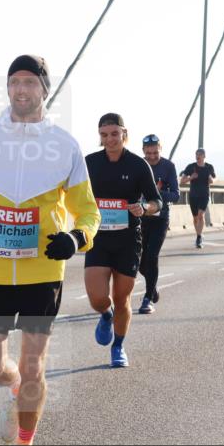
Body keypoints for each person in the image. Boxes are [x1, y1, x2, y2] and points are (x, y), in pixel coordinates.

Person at [0, 54, 100, 446]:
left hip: (42, 273)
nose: (21, 89)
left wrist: (75, 239)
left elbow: (87, 211)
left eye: (29, 82)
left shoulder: (65, 146)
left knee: (35, 366)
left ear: (43, 90)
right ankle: (13, 389)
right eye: (14, 81)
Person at [84, 114, 162, 367]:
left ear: (124, 134)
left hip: (128, 239)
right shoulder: (90, 163)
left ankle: (118, 346)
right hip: (98, 239)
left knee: (122, 298)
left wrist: (145, 208)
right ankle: (105, 316)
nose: (109, 140)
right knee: (98, 298)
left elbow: (156, 201)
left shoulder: (138, 165)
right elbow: (73, 193)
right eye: (104, 135)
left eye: (114, 134)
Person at [138, 134, 180, 315]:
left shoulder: (168, 166)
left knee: (152, 256)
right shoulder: (138, 165)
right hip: (140, 219)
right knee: (140, 263)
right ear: (143, 152)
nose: (152, 156)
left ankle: (147, 298)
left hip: (160, 219)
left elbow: (176, 194)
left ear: (160, 150)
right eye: (149, 153)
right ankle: (152, 287)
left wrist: (156, 194)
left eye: (155, 152)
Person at [181, 149, 216, 248]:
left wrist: (211, 180)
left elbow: (214, 178)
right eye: (196, 154)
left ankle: (199, 237)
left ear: (204, 156)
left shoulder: (209, 167)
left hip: (204, 195)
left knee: (201, 215)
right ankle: (198, 234)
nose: (198, 156)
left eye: (200, 154)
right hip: (193, 195)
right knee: (195, 217)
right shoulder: (191, 167)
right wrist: (190, 178)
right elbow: (182, 181)